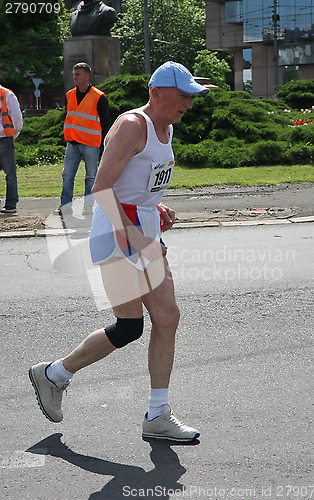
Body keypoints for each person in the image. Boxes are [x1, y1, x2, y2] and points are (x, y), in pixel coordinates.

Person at [29, 61, 209, 441]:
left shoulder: (166, 127)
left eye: (192, 97)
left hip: (141, 227)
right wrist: (128, 232)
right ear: (157, 93)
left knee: (167, 316)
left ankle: (157, 413)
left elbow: (135, 183)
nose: (188, 104)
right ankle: (54, 373)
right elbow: (102, 186)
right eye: (183, 95)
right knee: (131, 326)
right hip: (115, 231)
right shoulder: (132, 126)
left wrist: (155, 207)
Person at [56, 62, 112, 216]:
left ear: (87, 76)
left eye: (77, 74)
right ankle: (65, 206)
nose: (74, 77)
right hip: (72, 142)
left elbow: (105, 120)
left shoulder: (99, 97)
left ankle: (88, 208)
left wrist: (102, 142)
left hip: (90, 143)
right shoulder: (69, 95)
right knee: (67, 175)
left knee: (91, 177)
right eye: (74, 74)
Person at [0, 84, 23, 214]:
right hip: (5, 138)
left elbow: (17, 120)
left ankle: (11, 204)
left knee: (10, 173)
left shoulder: (7, 95)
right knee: (10, 173)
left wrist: (13, 135)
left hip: (4, 138)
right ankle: (10, 204)